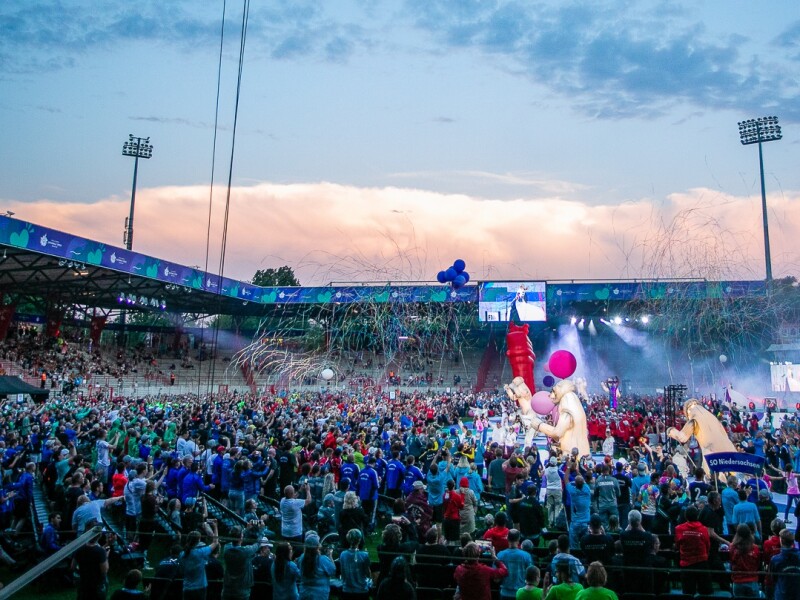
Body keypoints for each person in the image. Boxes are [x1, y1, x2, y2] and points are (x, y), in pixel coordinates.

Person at [674, 505, 712, 596]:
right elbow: (708, 545)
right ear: (697, 516)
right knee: (704, 593)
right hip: (701, 563)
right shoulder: (703, 529)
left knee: (688, 593)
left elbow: (677, 544)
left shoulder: (678, 529)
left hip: (686, 564)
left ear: (686, 516)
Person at [182, 522, 220, 600]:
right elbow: (215, 543)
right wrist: (215, 527)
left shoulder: (182, 554)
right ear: (198, 541)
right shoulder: (200, 552)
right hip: (200, 588)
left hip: (186, 588)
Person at [221, 525, 261, 600]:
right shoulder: (246, 551)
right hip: (242, 591)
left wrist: (246, 530)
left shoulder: (226, 548)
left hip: (228, 588)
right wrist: (261, 530)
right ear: (241, 536)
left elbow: (236, 538)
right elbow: (258, 544)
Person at [295, 533, 336, 600]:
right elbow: (332, 571)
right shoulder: (323, 560)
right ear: (317, 546)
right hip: (319, 595)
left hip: (304, 593)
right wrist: (330, 555)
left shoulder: (302, 558)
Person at [72, 531, 110, 600]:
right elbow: (104, 571)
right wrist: (106, 557)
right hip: (96, 585)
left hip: (83, 583)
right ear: (99, 536)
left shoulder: (79, 549)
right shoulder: (100, 551)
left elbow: (73, 566)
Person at [497, 529, 532, 600]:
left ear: (507, 538)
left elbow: (496, 577)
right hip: (521, 593)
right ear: (519, 539)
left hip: (505, 593)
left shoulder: (500, 555)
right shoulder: (526, 556)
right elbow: (531, 575)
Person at [729, 523, 761, 597]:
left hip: (738, 581)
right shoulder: (755, 548)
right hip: (752, 580)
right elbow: (757, 563)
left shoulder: (732, 547)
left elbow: (732, 561)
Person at [339, 528, 372, 600]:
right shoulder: (364, 555)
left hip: (347, 590)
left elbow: (343, 573)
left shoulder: (343, 554)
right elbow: (368, 574)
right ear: (359, 540)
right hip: (361, 591)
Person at [769, 529, 800, 600]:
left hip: (782, 594)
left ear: (781, 541)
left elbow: (773, 578)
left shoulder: (775, 559)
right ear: (793, 542)